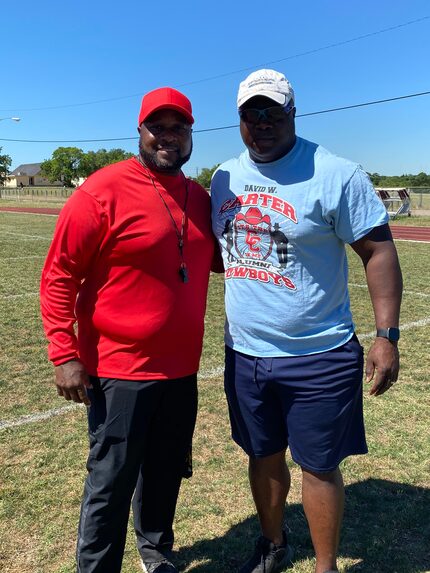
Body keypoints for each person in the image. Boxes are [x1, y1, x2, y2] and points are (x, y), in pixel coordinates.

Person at [210, 69, 402, 573]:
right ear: (239, 120)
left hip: (319, 354)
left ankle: (325, 566)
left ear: (293, 113)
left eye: (274, 111)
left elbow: (378, 250)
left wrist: (386, 336)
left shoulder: (335, 172)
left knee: (318, 466)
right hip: (246, 353)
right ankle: (272, 545)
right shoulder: (223, 177)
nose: (263, 122)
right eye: (253, 113)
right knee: (263, 455)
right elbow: (223, 251)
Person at [40, 87, 221, 573]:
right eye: (156, 127)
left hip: (181, 367)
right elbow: (59, 275)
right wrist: (64, 353)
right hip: (120, 368)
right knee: (111, 479)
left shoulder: (199, 196)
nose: (167, 136)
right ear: (139, 132)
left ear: (190, 134)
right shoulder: (100, 191)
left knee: (166, 468)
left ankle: (155, 551)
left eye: (178, 127)